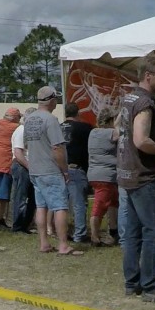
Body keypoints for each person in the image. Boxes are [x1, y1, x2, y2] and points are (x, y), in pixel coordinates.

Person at [117, 54, 155, 300]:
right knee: (152, 230)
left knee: (132, 232)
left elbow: (116, 132)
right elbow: (140, 140)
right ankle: (151, 286)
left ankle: (132, 283)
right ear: (148, 75)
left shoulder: (127, 99)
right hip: (143, 175)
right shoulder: (145, 103)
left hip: (126, 173)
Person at [26, 86, 82, 255]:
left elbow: (27, 144)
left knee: (41, 206)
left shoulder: (29, 119)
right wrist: (65, 171)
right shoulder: (50, 120)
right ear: (51, 101)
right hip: (50, 170)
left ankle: (44, 243)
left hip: (35, 169)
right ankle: (63, 245)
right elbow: (57, 148)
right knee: (60, 207)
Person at [60, 102, 94, 242]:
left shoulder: (58, 127)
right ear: (77, 113)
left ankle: (63, 231)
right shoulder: (85, 128)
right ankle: (79, 234)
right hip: (76, 168)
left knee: (62, 203)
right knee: (79, 203)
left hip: (59, 168)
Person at [87, 107, 119, 247]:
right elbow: (119, 133)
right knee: (99, 206)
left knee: (112, 202)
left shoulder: (93, 132)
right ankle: (95, 236)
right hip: (106, 176)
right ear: (110, 120)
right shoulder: (111, 133)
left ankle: (113, 230)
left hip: (94, 173)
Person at [11, 107, 37, 233]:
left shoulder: (29, 131)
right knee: (21, 197)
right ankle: (18, 225)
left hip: (28, 166)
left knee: (33, 198)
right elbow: (18, 152)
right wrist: (29, 167)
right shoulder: (21, 130)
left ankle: (26, 224)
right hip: (22, 166)